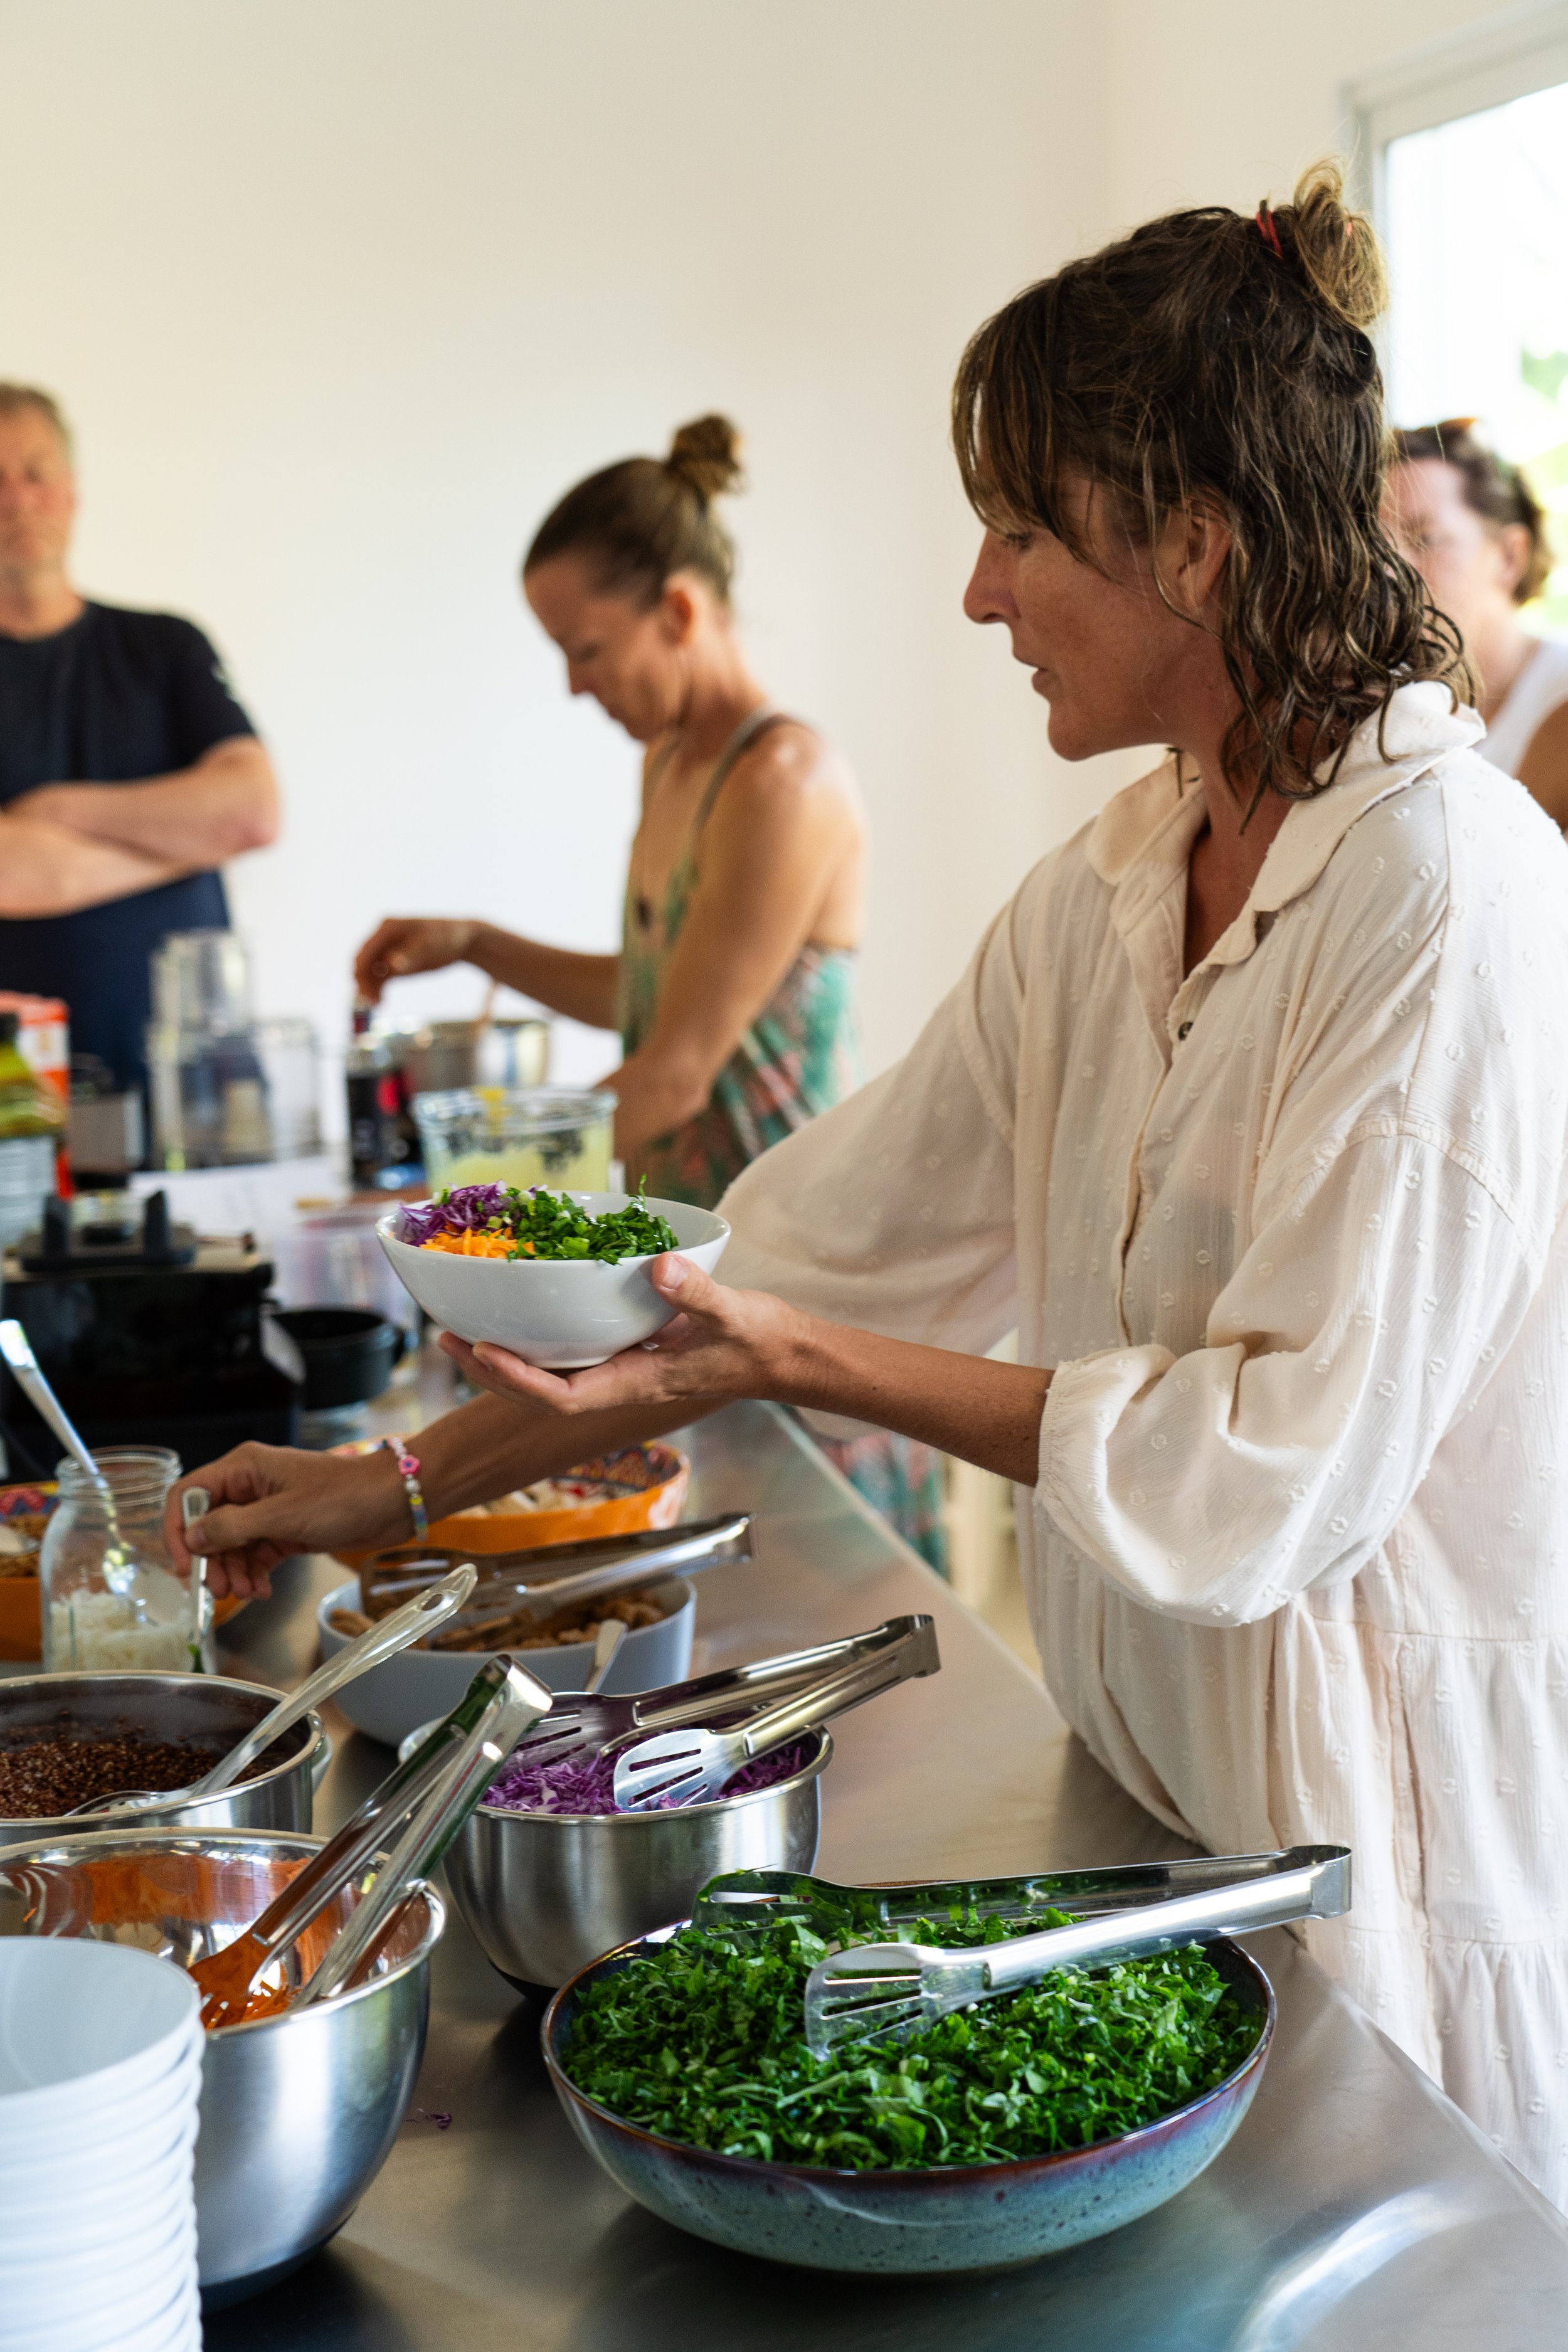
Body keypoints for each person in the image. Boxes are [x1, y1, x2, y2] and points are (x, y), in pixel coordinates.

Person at [173, 166, 1568, 2205]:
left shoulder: (1447, 903)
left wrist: (790, 1347)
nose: (981, 598)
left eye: (1019, 531)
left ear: (1195, 536)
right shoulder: (1107, 891)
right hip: (1155, 1822)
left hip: (1382, 1877)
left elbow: (1265, 1468)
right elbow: (784, 1262)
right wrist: (388, 1491)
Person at [353, 416, 945, 1567]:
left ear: (677, 610)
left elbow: (674, 1076)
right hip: (687, 1277)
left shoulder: (784, 777)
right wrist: (478, 941)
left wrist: (486, 1243)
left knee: (824, 1605)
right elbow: (657, 993)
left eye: (586, 648)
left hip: (794, 1262)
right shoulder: (674, 763)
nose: (578, 687)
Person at [0, 383, 279, 1095]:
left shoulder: (166, 647)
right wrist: (186, 842)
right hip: (22, 1102)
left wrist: (57, 809)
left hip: (199, 1088)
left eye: (36, 473)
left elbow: (251, 810)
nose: (18, 499)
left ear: (71, 490)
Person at [1385, 420, 1568, 822]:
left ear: (1509, 556)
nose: (1391, 572)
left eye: (1424, 539)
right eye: (1377, 546)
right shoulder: (1380, 710)